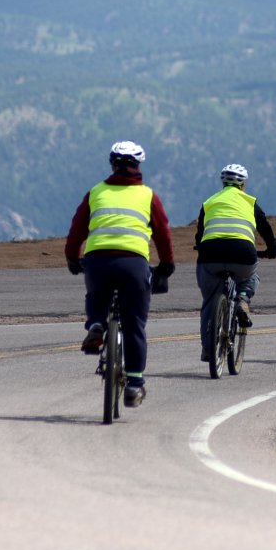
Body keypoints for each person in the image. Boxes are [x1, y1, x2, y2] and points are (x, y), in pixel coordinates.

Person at [63, 140, 176, 407]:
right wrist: (167, 264)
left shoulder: (95, 193)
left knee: (96, 296)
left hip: (98, 261)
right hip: (133, 265)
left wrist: (71, 257)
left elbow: (77, 229)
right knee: (134, 324)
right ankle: (135, 385)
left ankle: (96, 325)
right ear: (138, 166)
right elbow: (162, 233)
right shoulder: (148, 195)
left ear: (112, 164)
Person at [192, 163, 276, 362]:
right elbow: (265, 228)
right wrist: (272, 250)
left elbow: (200, 233)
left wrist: (200, 246)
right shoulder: (250, 201)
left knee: (209, 301)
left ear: (223, 182)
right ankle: (242, 299)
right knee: (250, 275)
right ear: (243, 184)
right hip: (243, 253)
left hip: (210, 254)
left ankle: (207, 348)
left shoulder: (209, 202)